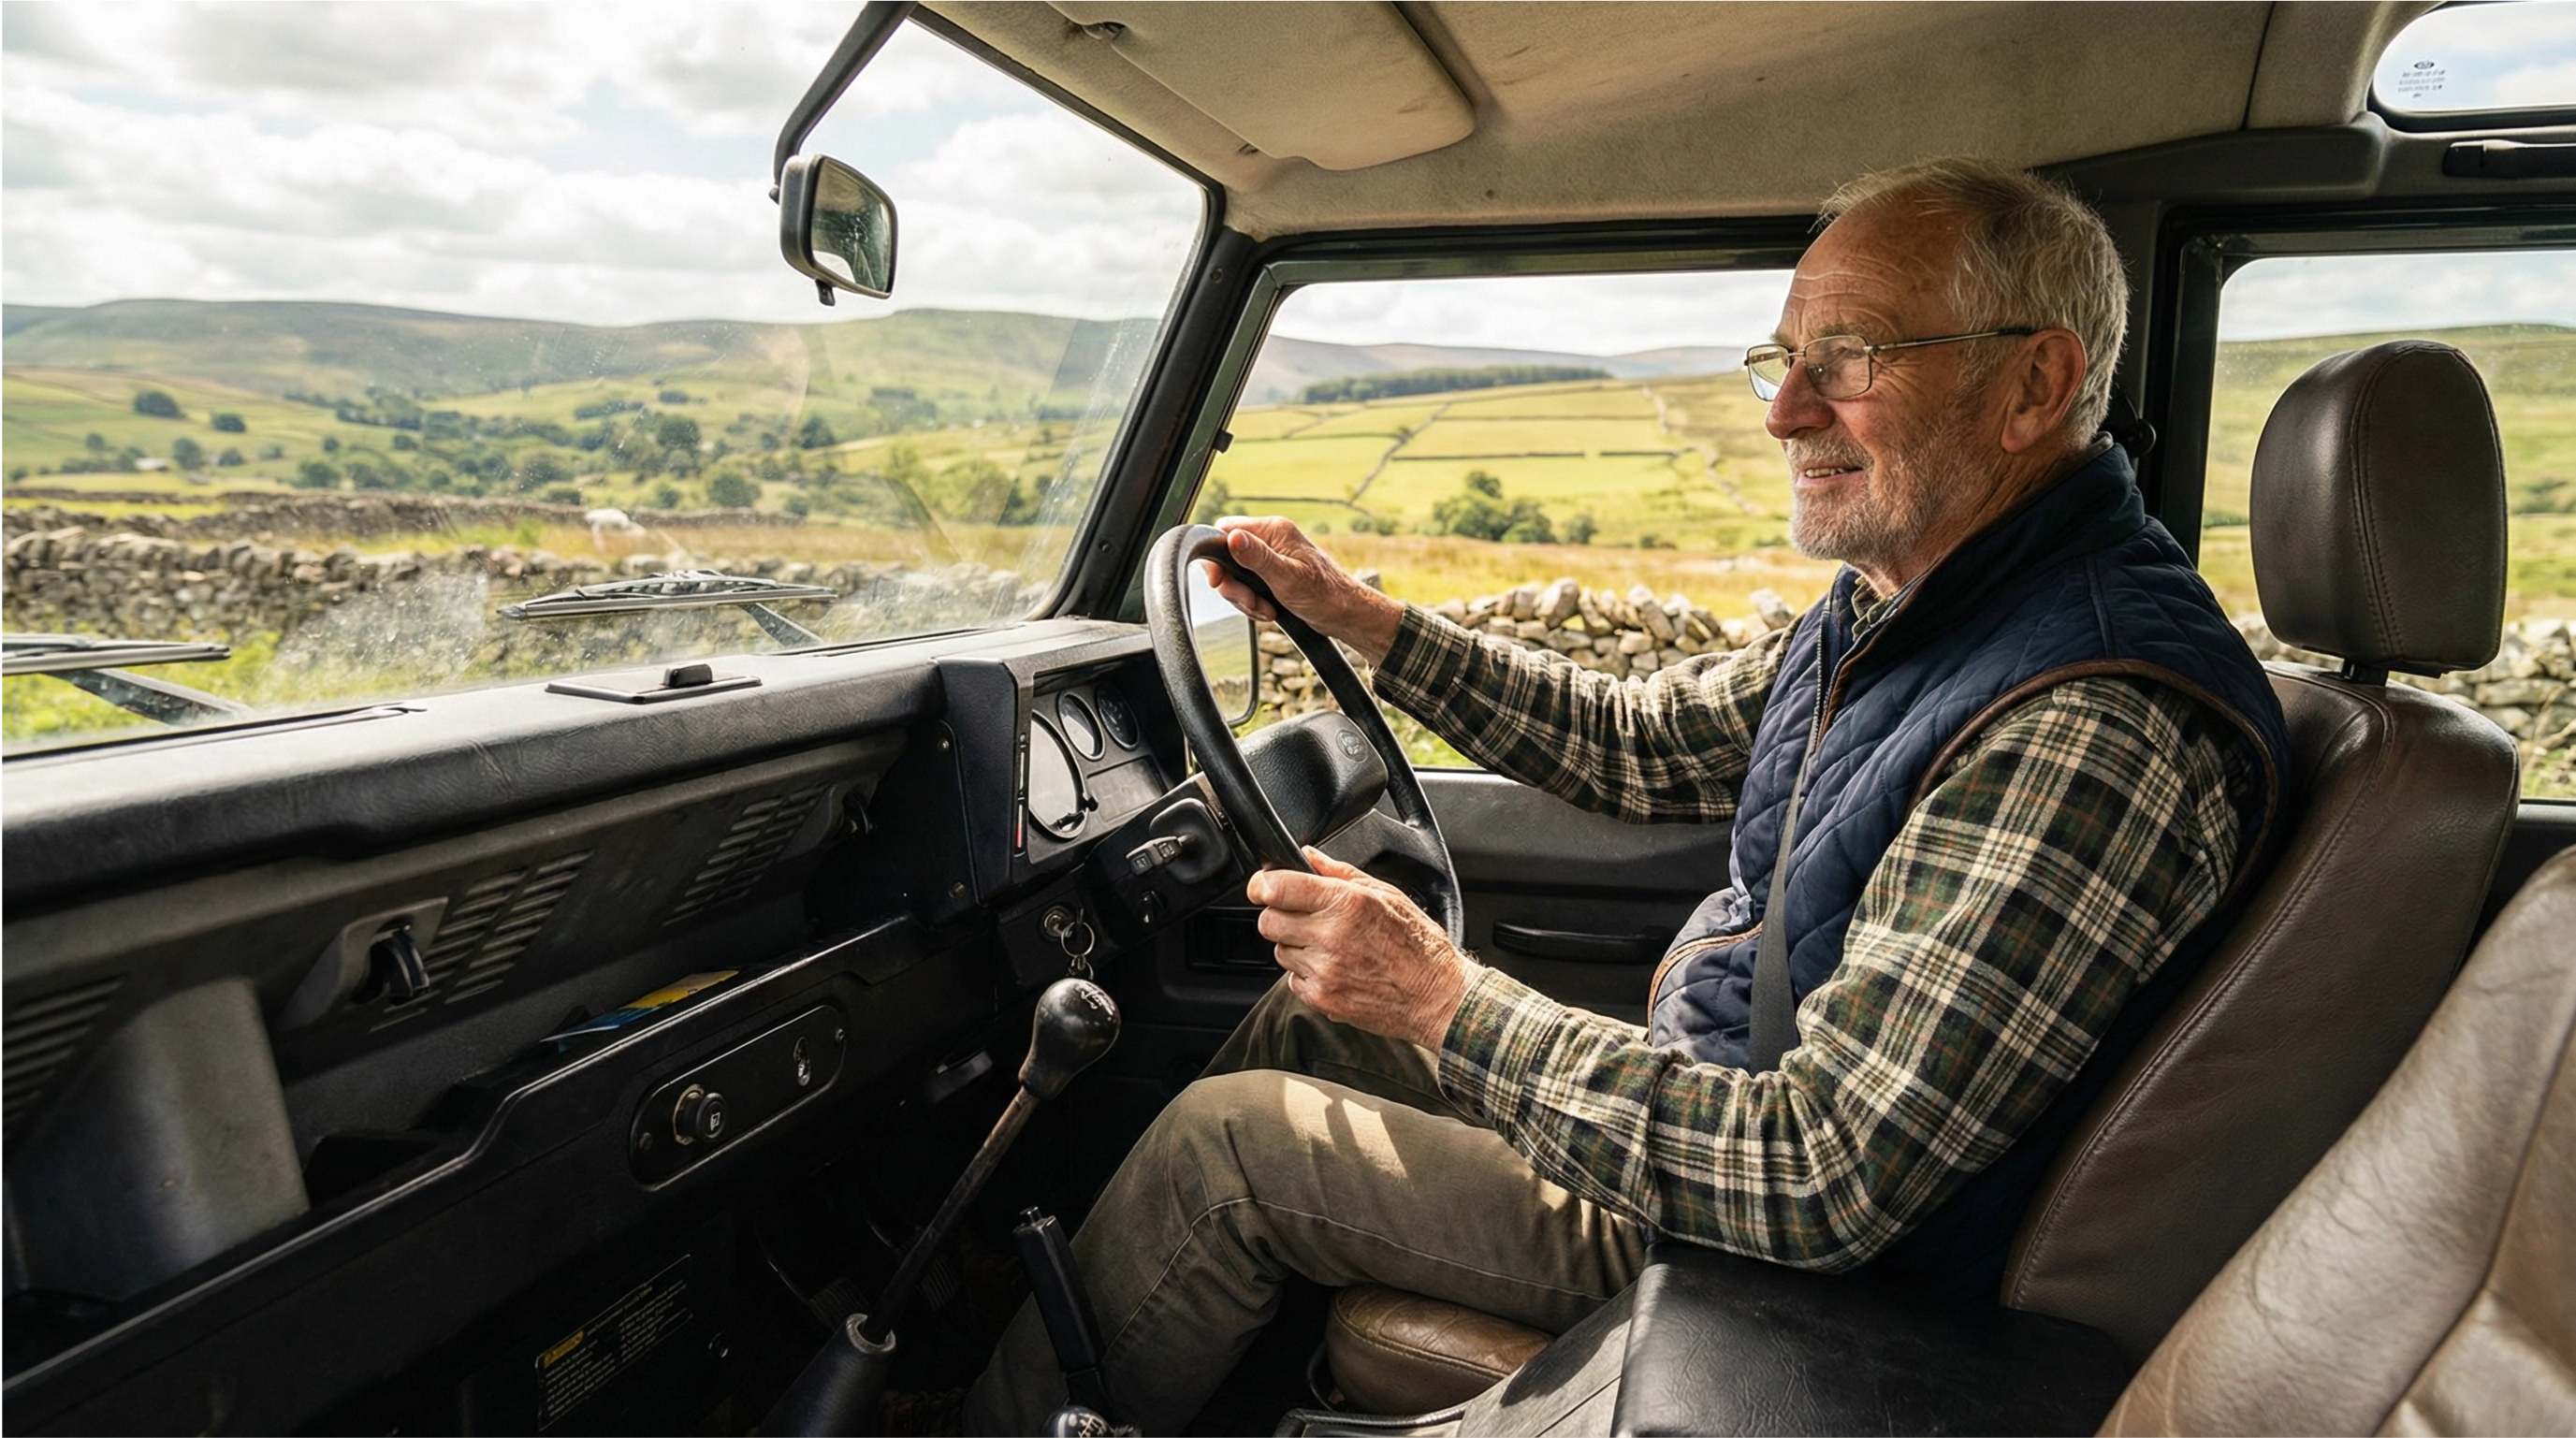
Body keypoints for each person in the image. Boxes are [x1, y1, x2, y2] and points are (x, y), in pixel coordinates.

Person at [964, 156, 2292, 1436]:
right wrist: (1358, 619)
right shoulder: (1915, 611)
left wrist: (1443, 995)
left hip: (1785, 1260)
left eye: (1855, 356)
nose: (1785, 413)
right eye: (1787, 360)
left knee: (1231, 1146)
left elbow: (1820, 1175)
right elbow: (1640, 743)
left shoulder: (2082, 719)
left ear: (2033, 385)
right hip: (1724, 1115)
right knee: (1302, 1025)